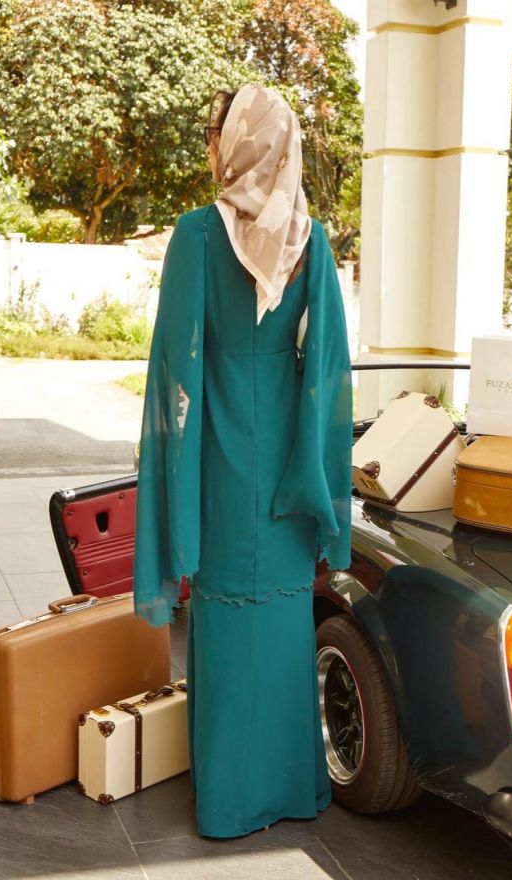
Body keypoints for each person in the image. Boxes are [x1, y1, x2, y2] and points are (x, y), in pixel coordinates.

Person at [133, 83, 353, 839]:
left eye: (215, 135)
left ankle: (229, 801)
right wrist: (317, 476)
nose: (210, 148)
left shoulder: (197, 235)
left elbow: (175, 369)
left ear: (237, 147)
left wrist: (174, 480)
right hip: (290, 465)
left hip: (222, 463)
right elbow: (330, 367)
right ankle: (293, 790)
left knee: (223, 633)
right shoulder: (309, 240)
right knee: (284, 632)